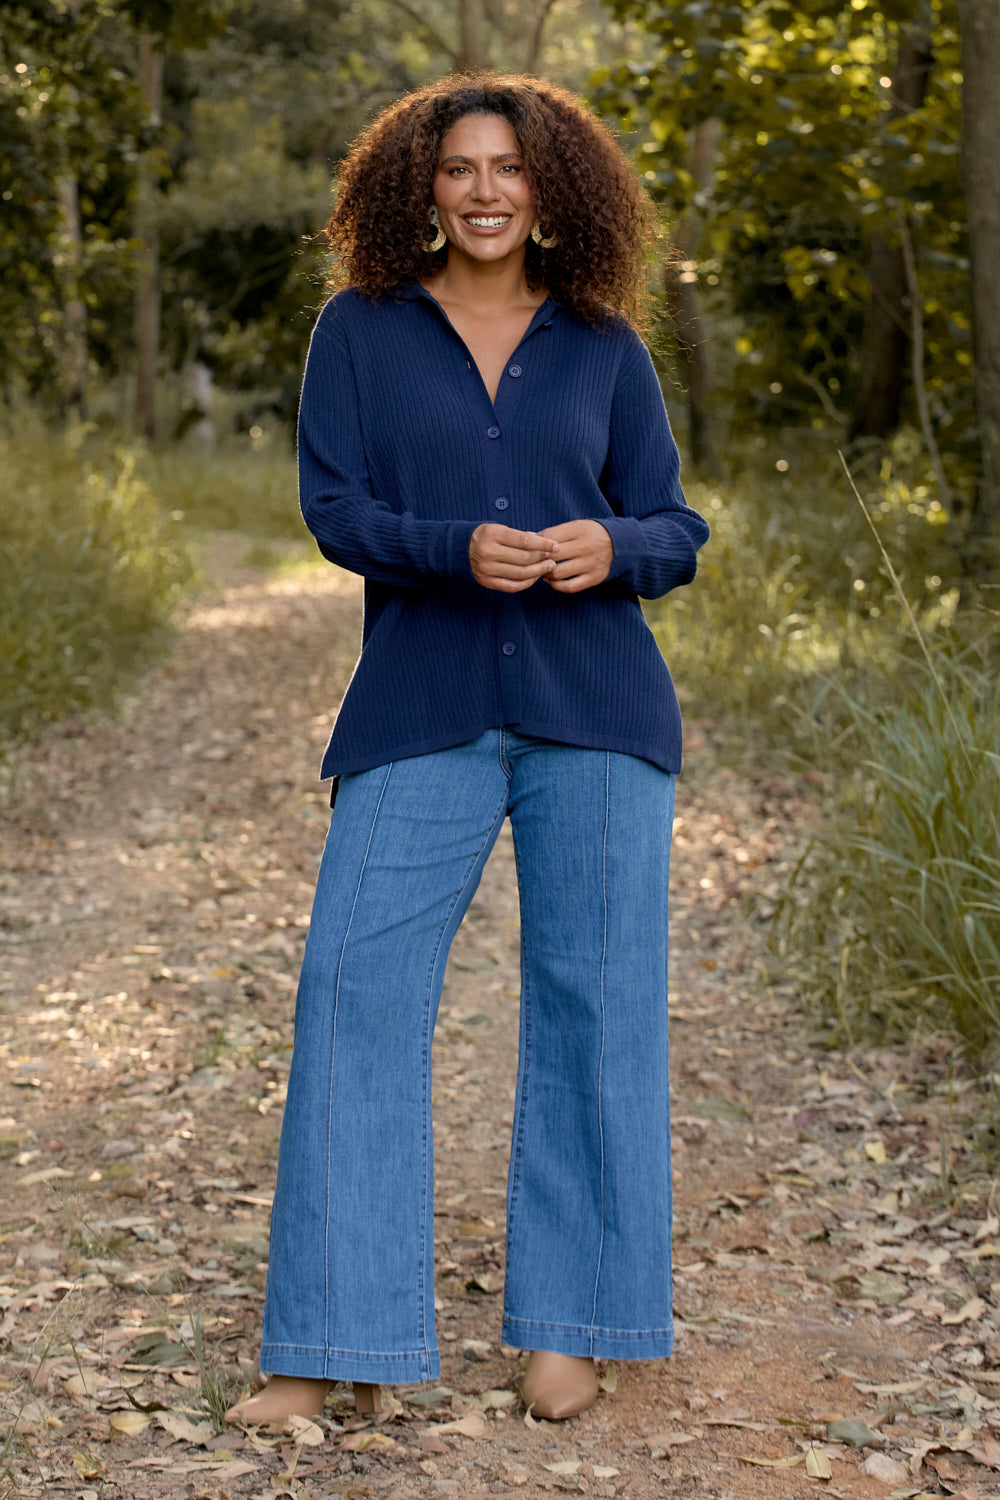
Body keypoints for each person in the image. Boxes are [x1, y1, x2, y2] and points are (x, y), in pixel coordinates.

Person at [226, 72, 709, 1428]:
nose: (486, 189)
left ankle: (576, 1323)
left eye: (509, 167)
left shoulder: (607, 346)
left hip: (598, 712)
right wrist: (454, 548)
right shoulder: (361, 333)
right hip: (421, 704)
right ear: (419, 190)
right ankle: (324, 1346)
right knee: (351, 996)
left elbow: (674, 527)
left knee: (596, 1005)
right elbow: (334, 508)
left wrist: (612, 545)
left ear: (552, 191)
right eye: (459, 169)